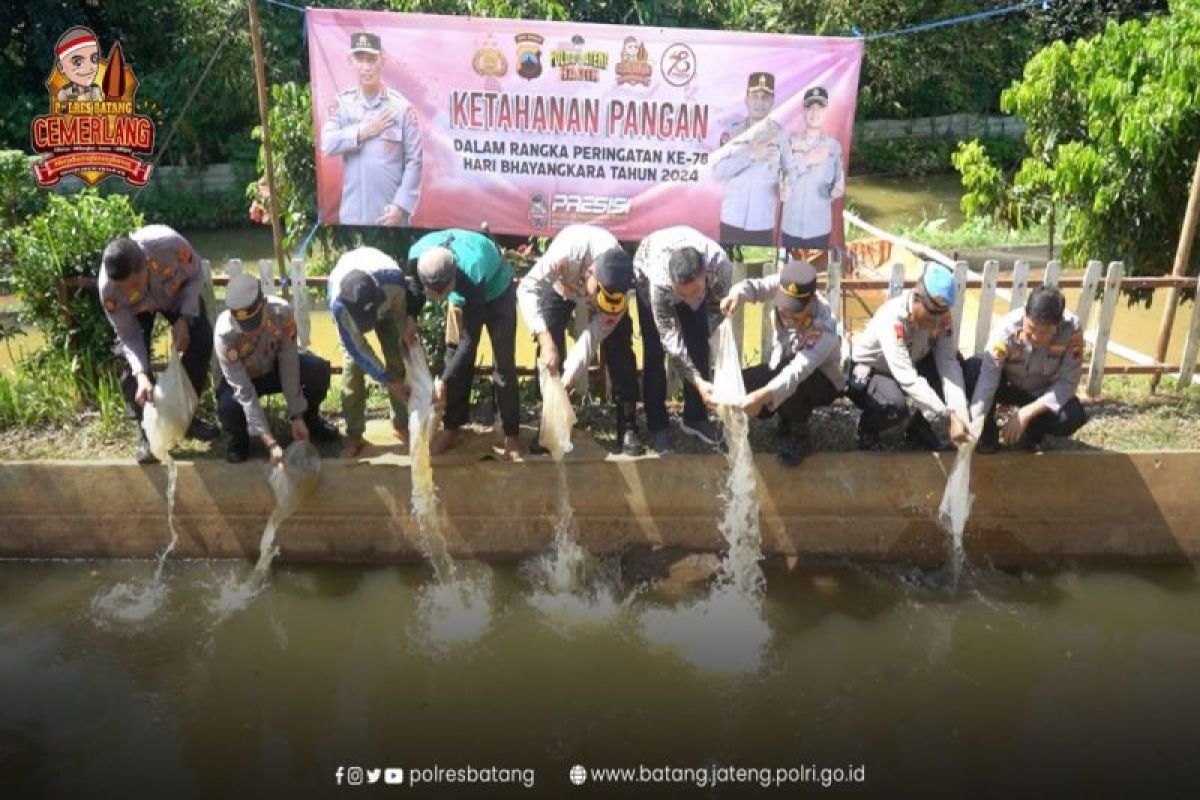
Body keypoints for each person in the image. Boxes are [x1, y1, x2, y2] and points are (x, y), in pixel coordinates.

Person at [516, 224, 643, 455]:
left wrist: (566, 381)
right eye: (597, 296)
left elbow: (589, 340)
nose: (593, 304)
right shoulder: (565, 253)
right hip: (561, 287)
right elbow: (526, 289)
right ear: (591, 273)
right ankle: (550, 424)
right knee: (548, 343)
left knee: (620, 346)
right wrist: (545, 340)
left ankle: (628, 423)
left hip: (586, 285)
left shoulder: (617, 290)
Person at [99, 226, 218, 464]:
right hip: (136, 313)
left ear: (145, 264)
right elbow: (128, 334)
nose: (129, 291)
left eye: (134, 283)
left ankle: (185, 419)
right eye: (124, 288)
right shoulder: (110, 291)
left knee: (201, 339)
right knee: (130, 369)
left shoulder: (170, 246)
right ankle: (148, 435)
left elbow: (195, 275)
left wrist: (184, 318)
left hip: (175, 296)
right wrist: (142, 374)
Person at [409, 229, 520, 460]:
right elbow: (413, 293)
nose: (438, 297)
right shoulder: (416, 256)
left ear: (454, 279)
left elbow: (470, 341)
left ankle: (511, 435)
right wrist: (409, 319)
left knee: (504, 364)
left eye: (444, 292)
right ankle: (451, 430)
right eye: (434, 294)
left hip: (497, 293)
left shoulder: (472, 271)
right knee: (454, 359)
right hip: (461, 299)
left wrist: (443, 381)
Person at [720, 259, 844, 466]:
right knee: (744, 382)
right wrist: (737, 295)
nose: (786, 313)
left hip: (822, 382)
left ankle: (800, 436)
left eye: (794, 310)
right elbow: (756, 287)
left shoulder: (825, 329)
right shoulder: (785, 284)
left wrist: (761, 396)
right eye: (784, 306)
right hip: (784, 365)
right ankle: (784, 418)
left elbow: (796, 372)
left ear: (811, 300)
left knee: (788, 382)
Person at [215, 274, 339, 463]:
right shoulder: (224, 335)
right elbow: (244, 391)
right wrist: (270, 442)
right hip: (247, 378)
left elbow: (289, 364)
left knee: (318, 371)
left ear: (263, 303)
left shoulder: (283, 314)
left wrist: (296, 415)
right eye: (245, 326)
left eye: (255, 323)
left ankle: (308, 419)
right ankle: (240, 440)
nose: (251, 330)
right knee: (228, 406)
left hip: (275, 369)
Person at [848, 262, 972, 451]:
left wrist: (960, 414)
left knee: (959, 364)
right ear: (916, 298)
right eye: (930, 320)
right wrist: (947, 416)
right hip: (874, 371)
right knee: (895, 407)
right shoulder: (893, 319)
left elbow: (948, 363)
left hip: (911, 362)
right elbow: (905, 375)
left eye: (940, 320)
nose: (935, 326)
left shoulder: (942, 318)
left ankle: (918, 430)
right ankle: (866, 429)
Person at [633, 225, 733, 454]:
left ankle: (695, 418)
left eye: (695, 291)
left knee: (699, 342)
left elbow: (718, 309)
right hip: (645, 274)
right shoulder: (659, 280)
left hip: (690, 275)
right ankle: (657, 425)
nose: (688, 300)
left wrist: (715, 337)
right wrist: (698, 381)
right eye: (683, 295)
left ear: (704, 275)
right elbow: (670, 341)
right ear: (672, 282)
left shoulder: (720, 265)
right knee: (655, 351)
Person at [964, 286, 1088, 453]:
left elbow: (1068, 382)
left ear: (1057, 325)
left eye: (1044, 332)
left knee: (1072, 416)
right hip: (1007, 386)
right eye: (1031, 330)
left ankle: (1032, 435)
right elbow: (987, 381)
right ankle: (987, 437)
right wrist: (974, 424)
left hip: (1040, 394)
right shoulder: (1005, 331)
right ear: (1025, 315)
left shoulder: (1072, 331)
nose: (1036, 338)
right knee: (973, 369)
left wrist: (1026, 413)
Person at [320, 31, 422, 226]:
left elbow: (414, 161)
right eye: (360, 59)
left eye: (371, 60)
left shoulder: (401, 108)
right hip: (353, 215)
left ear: (382, 61)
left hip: (391, 214)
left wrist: (401, 206)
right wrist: (363, 132)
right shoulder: (342, 104)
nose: (366, 67)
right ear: (350, 61)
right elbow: (327, 144)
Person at [328, 247, 419, 459]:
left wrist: (407, 327)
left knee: (397, 354)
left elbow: (401, 314)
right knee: (352, 368)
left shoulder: (393, 283)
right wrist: (387, 381)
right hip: (353, 315)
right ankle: (354, 434)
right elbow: (358, 349)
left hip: (388, 307)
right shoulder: (339, 306)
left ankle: (402, 423)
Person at [712, 72, 790, 246]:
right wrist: (749, 155)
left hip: (762, 223)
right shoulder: (731, 132)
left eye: (765, 97)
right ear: (746, 99)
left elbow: (788, 173)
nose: (759, 102)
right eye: (755, 96)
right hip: (732, 220)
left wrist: (787, 187)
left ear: (772, 102)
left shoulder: (782, 135)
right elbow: (718, 172)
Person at [781, 86, 845, 251]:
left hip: (819, 227)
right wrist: (807, 160)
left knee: (815, 273)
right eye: (810, 107)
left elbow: (839, 183)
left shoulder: (834, 147)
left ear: (826, 111)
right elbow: (782, 182)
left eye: (820, 107)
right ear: (804, 112)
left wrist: (835, 190)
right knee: (789, 272)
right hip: (791, 226)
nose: (814, 112)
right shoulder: (789, 143)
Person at [54, 27, 103, 104]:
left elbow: (100, 108)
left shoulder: (95, 89)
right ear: (61, 66)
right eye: (78, 62)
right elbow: (62, 112)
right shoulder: (64, 92)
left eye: (94, 59)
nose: (89, 67)